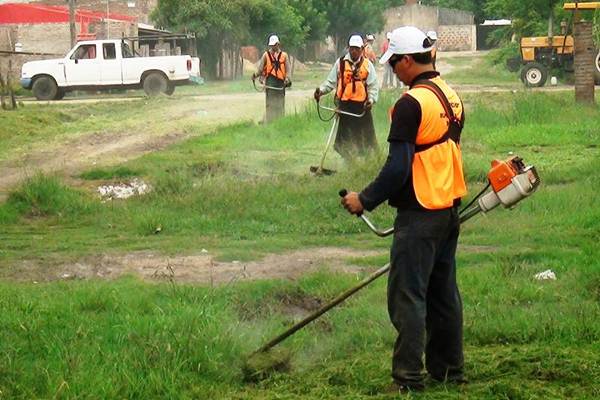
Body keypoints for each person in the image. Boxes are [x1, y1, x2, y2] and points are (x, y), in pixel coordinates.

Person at [341, 26, 468, 394]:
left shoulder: (411, 104)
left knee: (408, 296)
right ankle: (449, 372)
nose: (393, 70)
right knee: (443, 295)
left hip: (420, 213)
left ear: (408, 60)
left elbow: (398, 167)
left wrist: (364, 199)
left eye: (394, 63)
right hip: (447, 210)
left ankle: (408, 379)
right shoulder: (450, 96)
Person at [314, 34, 379, 159]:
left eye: (357, 48)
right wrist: (320, 91)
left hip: (362, 107)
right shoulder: (340, 63)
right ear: (348, 48)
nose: (354, 51)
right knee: (344, 142)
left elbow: (373, 86)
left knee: (367, 142)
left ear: (362, 49)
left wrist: (371, 100)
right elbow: (330, 82)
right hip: (345, 107)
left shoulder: (368, 65)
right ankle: (350, 163)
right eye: (352, 48)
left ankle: (368, 164)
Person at [254, 34, 291, 122]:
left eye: (274, 45)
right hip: (270, 82)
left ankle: (280, 121)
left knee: (280, 103)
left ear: (278, 44)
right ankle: (269, 121)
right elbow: (260, 69)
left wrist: (287, 79)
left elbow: (288, 70)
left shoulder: (284, 55)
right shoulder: (266, 55)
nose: (273, 47)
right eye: (271, 45)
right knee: (270, 104)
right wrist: (255, 75)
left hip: (281, 83)